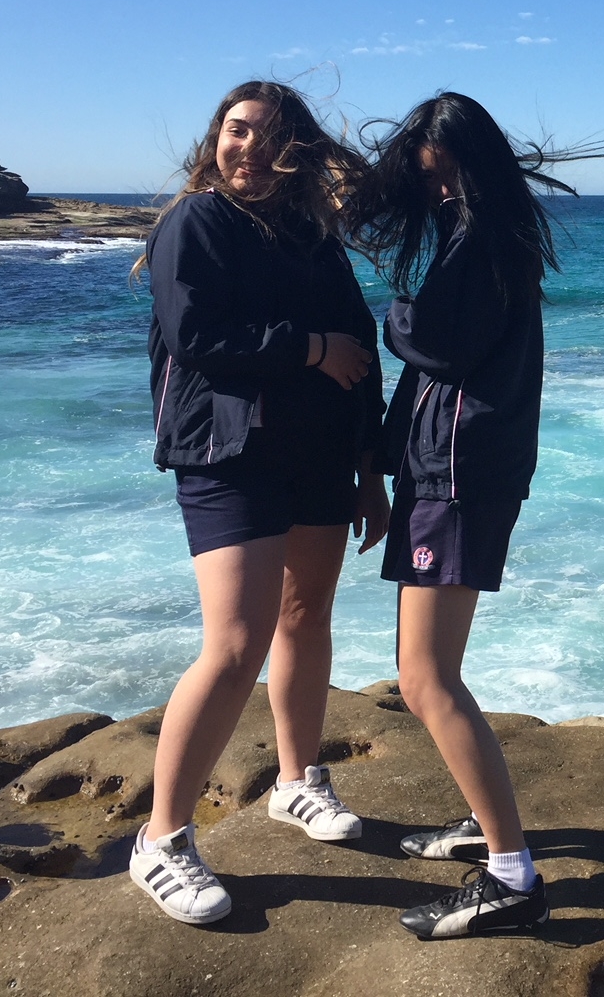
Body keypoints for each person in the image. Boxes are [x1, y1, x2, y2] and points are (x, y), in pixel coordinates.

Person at [345, 92, 604, 939]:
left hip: (457, 479)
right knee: (433, 669)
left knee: (423, 677)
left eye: (428, 165)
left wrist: (389, 318)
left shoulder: (483, 240)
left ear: (453, 156)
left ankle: (511, 877)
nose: (422, 183)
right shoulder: (490, 234)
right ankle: (488, 823)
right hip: (456, 473)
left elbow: (436, 347)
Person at [132, 81, 389, 925]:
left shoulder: (313, 236)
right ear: (216, 137)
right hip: (227, 453)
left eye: (267, 136)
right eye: (236, 130)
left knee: (305, 618)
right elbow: (195, 335)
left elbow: (363, 349)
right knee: (236, 644)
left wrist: (370, 465)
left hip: (316, 456)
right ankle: (162, 839)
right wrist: (310, 348)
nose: (246, 147)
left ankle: (296, 781)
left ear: (294, 154)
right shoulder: (195, 222)